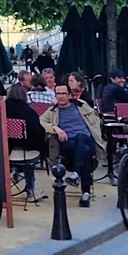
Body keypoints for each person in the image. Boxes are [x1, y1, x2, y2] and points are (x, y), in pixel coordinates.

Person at [39, 79, 103, 207]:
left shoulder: (81, 105)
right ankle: (85, 191)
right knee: (84, 151)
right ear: (55, 95)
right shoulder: (52, 111)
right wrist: (55, 128)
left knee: (81, 137)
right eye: (58, 94)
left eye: (64, 93)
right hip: (69, 143)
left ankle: (76, 174)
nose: (61, 96)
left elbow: (95, 119)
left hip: (87, 139)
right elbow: (40, 121)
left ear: (69, 95)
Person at [5, 83, 47, 202]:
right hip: (25, 151)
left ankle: (13, 175)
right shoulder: (29, 112)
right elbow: (37, 134)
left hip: (5, 150)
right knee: (31, 158)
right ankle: (31, 189)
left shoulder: (1, 109)